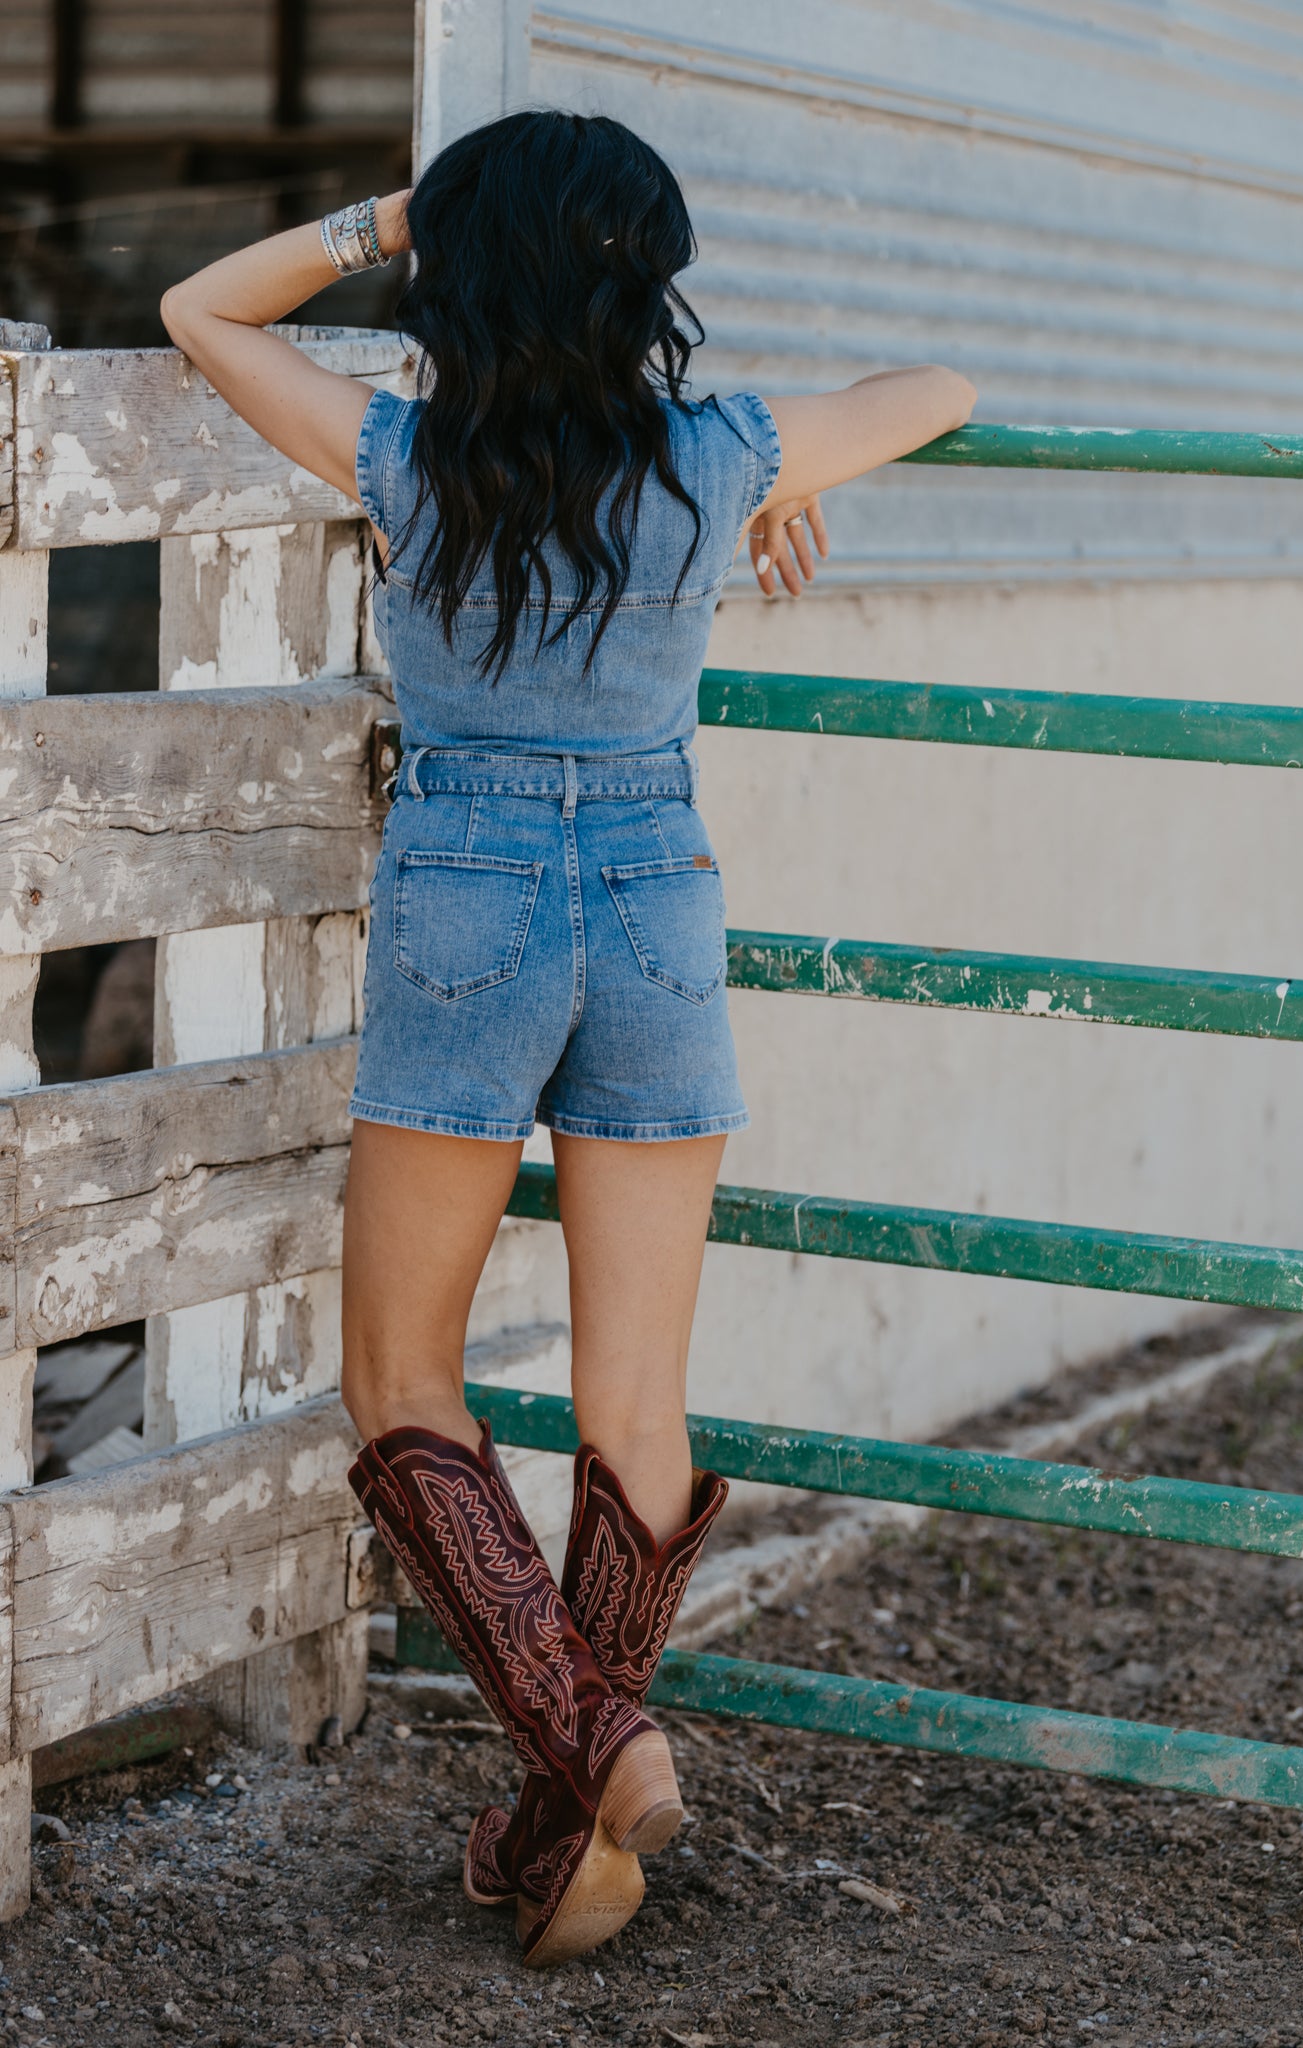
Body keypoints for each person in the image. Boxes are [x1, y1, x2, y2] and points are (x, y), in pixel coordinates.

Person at [160, 108, 976, 1969]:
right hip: (656, 890)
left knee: (401, 1385)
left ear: (471, 271)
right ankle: (565, 1809)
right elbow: (944, 377)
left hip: (470, 890)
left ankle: (592, 1745)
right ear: (645, 281)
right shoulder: (713, 456)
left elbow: (202, 307)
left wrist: (382, 218)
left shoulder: (402, 453)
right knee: (637, 1407)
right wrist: (763, 481)